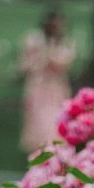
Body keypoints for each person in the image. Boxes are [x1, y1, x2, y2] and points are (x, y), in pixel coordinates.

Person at [19, 11, 75, 155]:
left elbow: (62, 64)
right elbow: (25, 65)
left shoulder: (65, 42)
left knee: (55, 122)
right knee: (38, 123)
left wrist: (47, 52)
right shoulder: (34, 40)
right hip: (38, 88)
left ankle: (54, 154)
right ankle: (39, 155)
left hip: (56, 89)